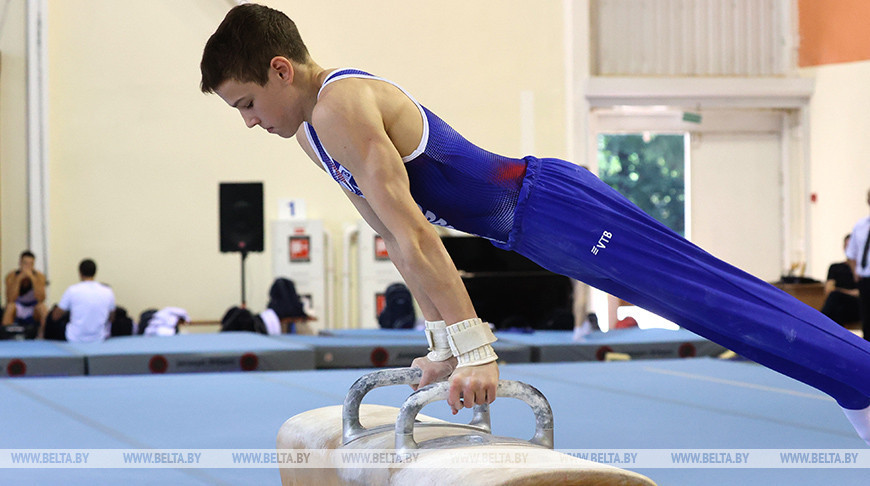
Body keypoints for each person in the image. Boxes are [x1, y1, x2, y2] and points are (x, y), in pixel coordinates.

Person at [200, 4, 870, 442]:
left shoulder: (341, 104)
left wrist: (477, 348)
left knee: (708, 299)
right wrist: (442, 341)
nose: (252, 122)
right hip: (534, 229)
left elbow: (419, 235)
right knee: (706, 301)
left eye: (248, 103)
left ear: (281, 69)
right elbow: (395, 243)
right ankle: (854, 378)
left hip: (554, 207)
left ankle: (857, 380)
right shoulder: (311, 137)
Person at [50, 259, 115, 343]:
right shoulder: (108, 291)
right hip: (99, 339)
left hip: (75, 339)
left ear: (80, 273)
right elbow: (112, 318)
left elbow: (55, 316)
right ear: (95, 272)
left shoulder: (72, 290)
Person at [2, 251, 48, 338]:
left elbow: (41, 298)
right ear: (20, 263)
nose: (27, 267)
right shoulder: (11, 276)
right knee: (9, 307)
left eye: (31, 264)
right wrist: (19, 279)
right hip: (18, 307)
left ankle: (42, 336)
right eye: (25, 263)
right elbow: (10, 299)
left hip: (32, 308)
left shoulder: (39, 276)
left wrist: (32, 279)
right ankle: (6, 337)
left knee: (42, 307)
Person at [822, 234, 861, 326]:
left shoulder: (863, 270)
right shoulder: (835, 267)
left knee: (835, 298)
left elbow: (861, 293)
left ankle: (820, 324)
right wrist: (849, 292)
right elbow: (828, 290)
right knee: (837, 308)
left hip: (857, 307)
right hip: (840, 307)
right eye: (846, 246)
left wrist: (839, 291)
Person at [847, 190, 870, 342]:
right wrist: (856, 272)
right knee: (867, 320)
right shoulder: (861, 225)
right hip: (865, 279)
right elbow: (851, 253)